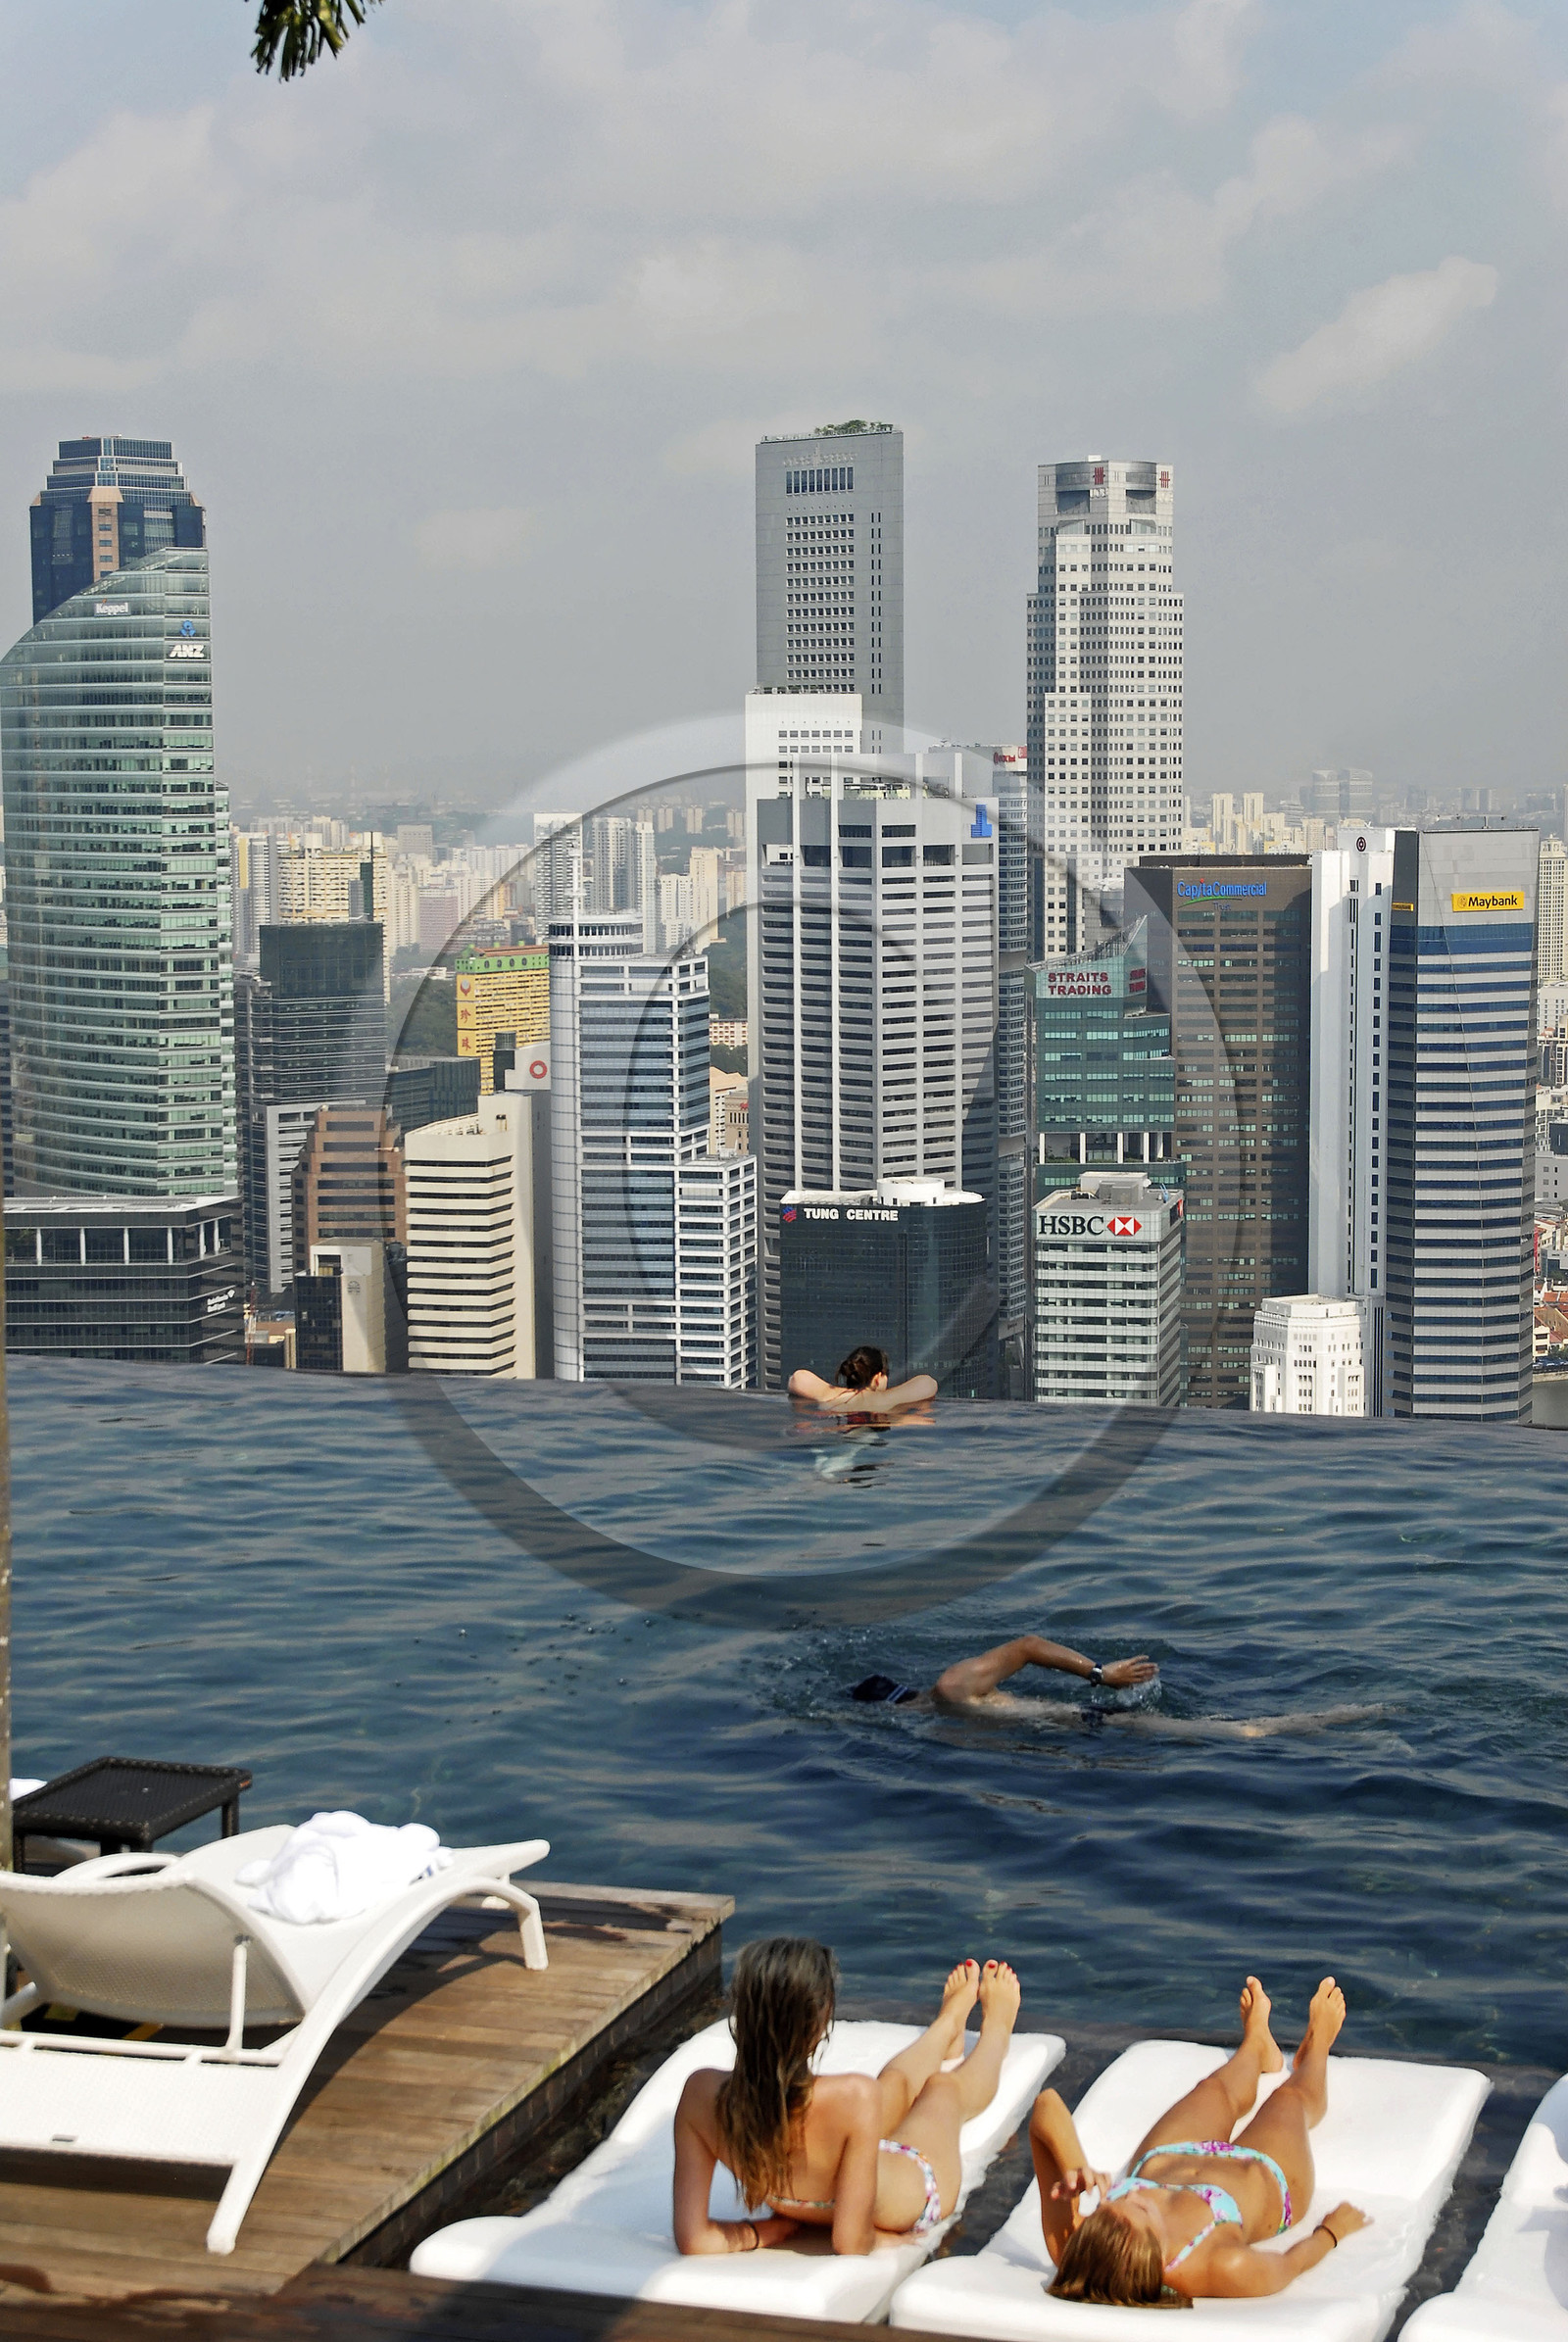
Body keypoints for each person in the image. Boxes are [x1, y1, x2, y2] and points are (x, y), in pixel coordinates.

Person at [1029, 1974, 1370, 2304]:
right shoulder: (1219, 2266)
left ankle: (1256, 2045)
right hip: (1265, 2177)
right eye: (1138, 2204)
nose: (1130, 2192)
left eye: (1111, 2202)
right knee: (1290, 2100)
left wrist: (1075, 2166)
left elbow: (1046, 2105)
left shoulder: (1087, 2252)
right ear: (1153, 2254)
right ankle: (1317, 2047)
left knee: (1216, 2089)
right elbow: (1286, 2267)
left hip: (1170, 2155)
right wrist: (1331, 2233)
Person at [673, 1938, 1021, 2257]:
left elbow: (694, 2239)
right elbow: (851, 2241)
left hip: (811, 2198)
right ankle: (997, 2031)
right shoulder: (853, 2097)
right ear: (817, 2025)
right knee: (943, 2090)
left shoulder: (699, 2093)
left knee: (893, 2087)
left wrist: (762, 2231)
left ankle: (948, 2026)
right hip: (914, 2194)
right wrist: (883, 2240)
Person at [850, 1634, 1157, 1710]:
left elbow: (1027, 1646)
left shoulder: (950, 1687)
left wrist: (1101, 1674)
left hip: (1095, 1722)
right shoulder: (939, 1716)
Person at [789, 1344, 938, 1413]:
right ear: (878, 1378)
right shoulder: (887, 1399)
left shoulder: (829, 1396)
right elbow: (928, 1383)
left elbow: (798, 1378)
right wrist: (886, 1394)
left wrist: (835, 1392)